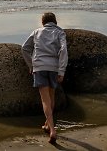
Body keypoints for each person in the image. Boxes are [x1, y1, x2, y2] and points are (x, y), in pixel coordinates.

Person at [21, 12, 68, 144]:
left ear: (43, 22)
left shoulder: (36, 32)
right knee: (51, 97)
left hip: (40, 67)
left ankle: (52, 130)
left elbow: (24, 48)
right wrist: (62, 70)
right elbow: (63, 50)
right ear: (55, 22)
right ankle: (48, 125)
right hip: (53, 68)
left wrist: (31, 65)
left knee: (45, 100)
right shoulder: (60, 33)